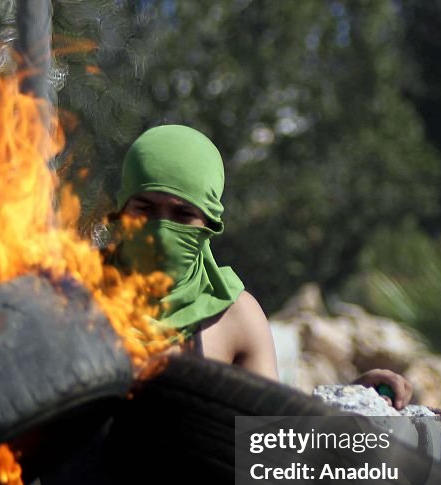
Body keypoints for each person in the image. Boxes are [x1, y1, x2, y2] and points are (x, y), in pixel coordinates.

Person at [110, 124, 412, 408]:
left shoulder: (234, 318)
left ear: (210, 221)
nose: (162, 231)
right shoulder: (74, 294)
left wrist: (346, 400)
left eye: (183, 214)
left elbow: (266, 442)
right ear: (122, 208)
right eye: (145, 209)